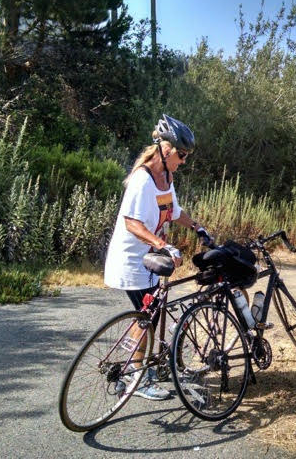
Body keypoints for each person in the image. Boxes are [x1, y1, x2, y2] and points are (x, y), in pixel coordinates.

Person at [104, 114, 211, 400]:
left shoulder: (167, 177)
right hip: (132, 262)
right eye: (182, 154)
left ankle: (133, 368)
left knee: (151, 314)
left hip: (150, 261)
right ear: (166, 150)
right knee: (147, 318)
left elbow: (174, 212)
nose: (184, 160)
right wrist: (161, 244)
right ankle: (137, 378)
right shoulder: (143, 180)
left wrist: (197, 227)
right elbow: (132, 223)